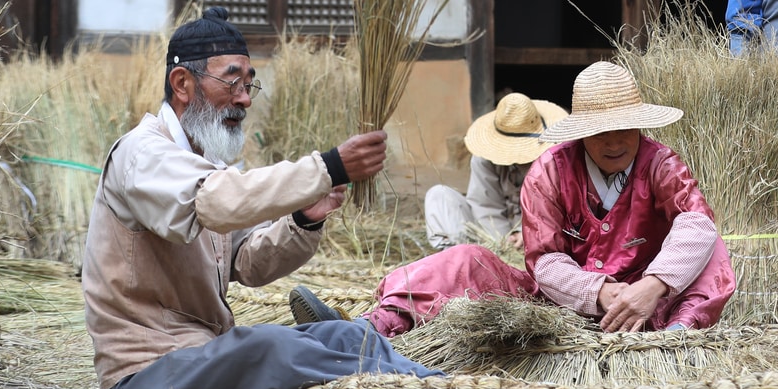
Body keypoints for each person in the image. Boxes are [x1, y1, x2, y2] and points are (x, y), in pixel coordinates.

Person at [81, 7, 439, 389]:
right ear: (183, 84)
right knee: (268, 346)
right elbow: (216, 202)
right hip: (147, 375)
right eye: (233, 82)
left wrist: (303, 220)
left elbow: (247, 263)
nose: (245, 99)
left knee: (348, 334)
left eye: (250, 85)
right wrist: (328, 167)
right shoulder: (141, 155)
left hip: (205, 357)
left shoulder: (207, 163)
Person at [290, 61, 735, 335]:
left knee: (711, 249)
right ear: (581, 133)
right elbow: (543, 264)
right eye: (600, 131)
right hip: (565, 303)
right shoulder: (551, 170)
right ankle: (369, 330)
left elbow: (696, 222)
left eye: (624, 128)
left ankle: (675, 339)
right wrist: (599, 294)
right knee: (464, 260)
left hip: (651, 304)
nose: (614, 141)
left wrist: (650, 289)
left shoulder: (661, 163)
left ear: (640, 125)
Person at [422, 92, 566, 250]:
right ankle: (461, 261)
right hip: (491, 237)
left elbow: (555, 209)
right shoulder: (484, 158)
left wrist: (525, 233)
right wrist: (504, 241)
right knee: (439, 196)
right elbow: (484, 205)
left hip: (542, 236)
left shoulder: (553, 160)